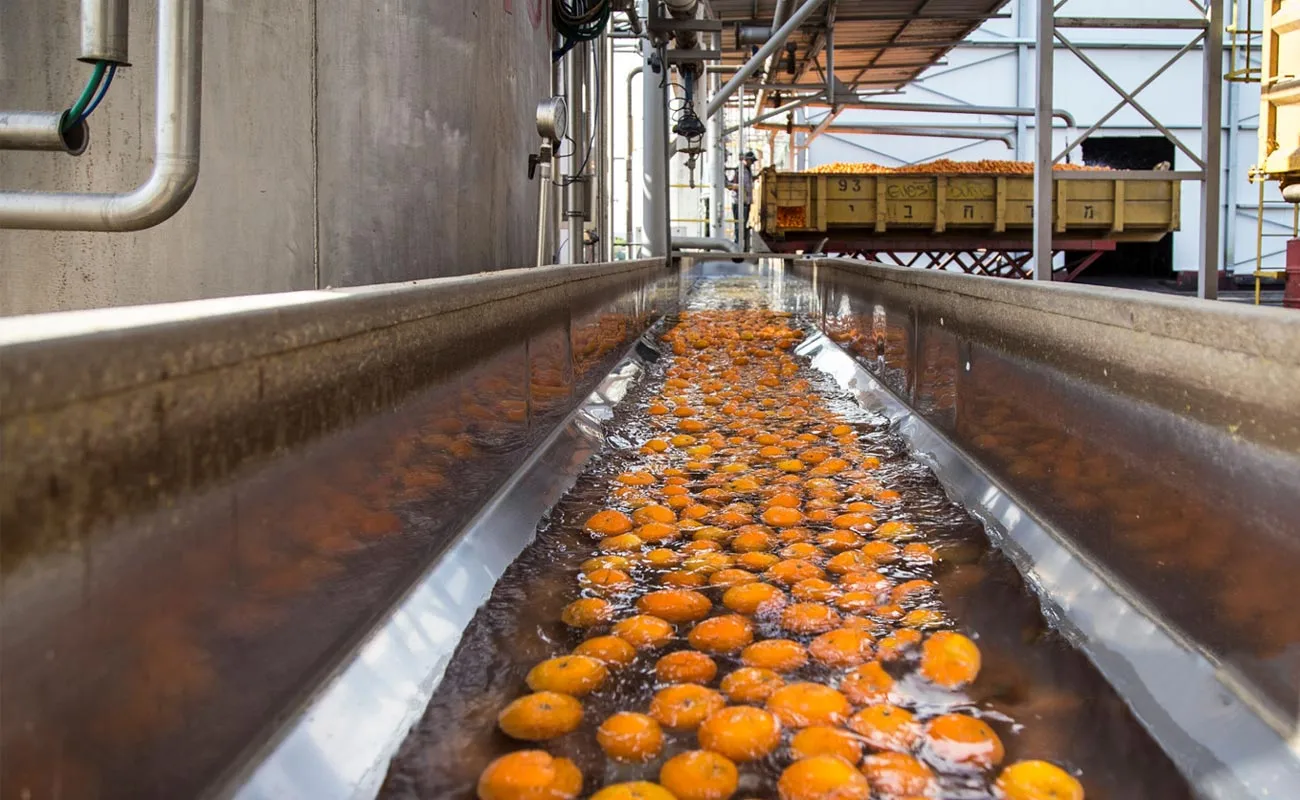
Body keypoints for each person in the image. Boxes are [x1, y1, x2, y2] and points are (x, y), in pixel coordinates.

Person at [726, 151, 758, 251]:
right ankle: (737, 245)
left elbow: (748, 182)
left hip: (746, 201)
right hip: (738, 201)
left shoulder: (747, 170)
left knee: (743, 224)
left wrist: (756, 177)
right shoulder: (738, 170)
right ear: (746, 159)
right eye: (751, 161)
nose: (752, 163)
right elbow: (730, 184)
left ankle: (742, 245)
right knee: (738, 224)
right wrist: (739, 188)